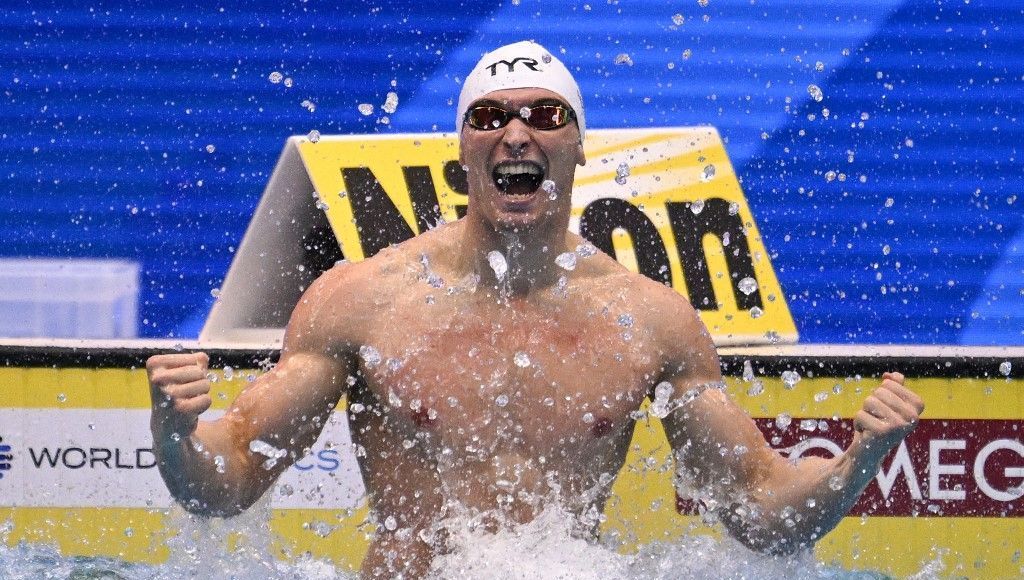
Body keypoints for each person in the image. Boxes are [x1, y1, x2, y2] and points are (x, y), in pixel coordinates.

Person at [146, 41, 924, 578]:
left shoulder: (649, 321)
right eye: (490, 117)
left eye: (545, 116)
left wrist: (859, 463)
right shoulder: (364, 301)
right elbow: (230, 482)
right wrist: (176, 436)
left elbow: (760, 513)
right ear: (461, 146)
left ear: (580, 144)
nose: (516, 133)